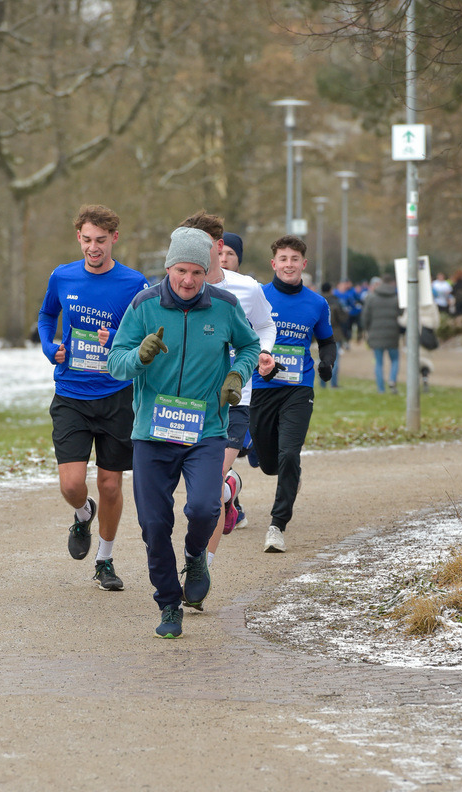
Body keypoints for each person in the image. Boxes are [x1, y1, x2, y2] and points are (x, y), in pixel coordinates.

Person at [107, 226, 260, 638]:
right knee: (155, 525)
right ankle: (169, 603)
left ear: (207, 270)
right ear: (168, 268)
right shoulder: (143, 306)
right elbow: (115, 362)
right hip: (152, 433)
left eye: (197, 271)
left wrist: (236, 374)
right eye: (180, 272)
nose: (189, 280)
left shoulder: (225, 307)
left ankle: (195, 556)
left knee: (205, 508)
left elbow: (249, 347)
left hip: (206, 429)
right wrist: (138, 356)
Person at [37, 204, 148, 590]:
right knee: (71, 485)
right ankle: (83, 515)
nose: (93, 247)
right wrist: (50, 349)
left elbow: (145, 335)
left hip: (117, 394)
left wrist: (119, 339)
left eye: (101, 240)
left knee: (111, 485)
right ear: (78, 238)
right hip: (71, 393)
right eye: (87, 240)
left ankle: (105, 559)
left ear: (114, 238)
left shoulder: (134, 283)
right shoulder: (62, 276)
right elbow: (46, 316)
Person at [177, 214, 276, 555]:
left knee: (209, 481)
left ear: (219, 248)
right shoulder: (178, 287)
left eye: (200, 244)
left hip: (236, 398)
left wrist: (263, 353)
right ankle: (230, 488)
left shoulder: (247, 288)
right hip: (190, 401)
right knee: (197, 490)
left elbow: (265, 325)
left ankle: (202, 565)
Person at [250, 234, 336, 553]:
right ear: (274, 264)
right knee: (271, 463)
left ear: (303, 264)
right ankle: (288, 473)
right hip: (261, 388)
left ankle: (277, 525)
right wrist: (260, 360)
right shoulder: (257, 296)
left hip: (298, 389)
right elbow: (243, 337)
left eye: (294, 259)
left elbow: (327, 341)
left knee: (289, 454)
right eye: (283, 259)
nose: (289, 264)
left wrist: (326, 364)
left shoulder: (316, 303)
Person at [361, 272, 401, 394]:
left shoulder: (372, 297)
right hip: (393, 333)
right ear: (392, 283)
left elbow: (365, 317)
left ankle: (381, 389)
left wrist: (366, 329)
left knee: (378, 362)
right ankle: (392, 380)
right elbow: (402, 315)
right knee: (395, 360)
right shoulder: (396, 298)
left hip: (375, 334)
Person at [320, 282, 348, 388]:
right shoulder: (336, 301)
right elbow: (342, 318)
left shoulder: (317, 301)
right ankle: (333, 383)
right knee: (334, 360)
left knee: (322, 359)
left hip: (320, 334)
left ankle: (322, 383)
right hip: (334, 334)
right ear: (331, 289)